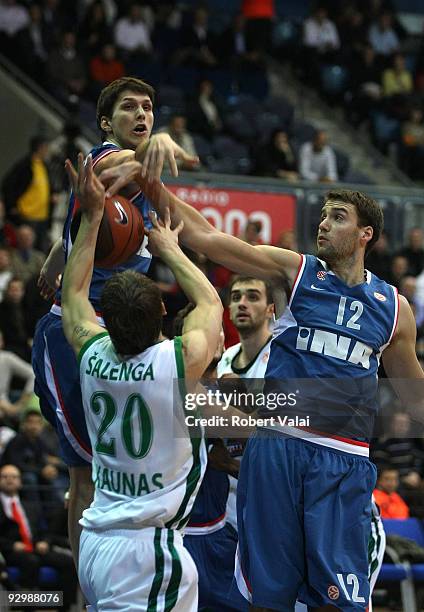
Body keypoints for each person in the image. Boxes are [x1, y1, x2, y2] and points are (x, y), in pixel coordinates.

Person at [97, 177, 423, 610]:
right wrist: (150, 185)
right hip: (279, 451)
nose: (324, 224)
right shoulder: (297, 273)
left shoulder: (394, 308)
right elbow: (209, 236)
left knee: (339, 600)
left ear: (366, 235)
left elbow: (415, 398)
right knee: (269, 597)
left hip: (342, 457)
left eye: (338, 218)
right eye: (323, 215)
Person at [32, 75, 201, 566]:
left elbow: (88, 222)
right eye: (130, 108)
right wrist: (158, 146)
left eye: (149, 108)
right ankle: (86, 592)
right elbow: (107, 174)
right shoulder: (102, 157)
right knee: (86, 471)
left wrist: (54, 258)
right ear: (107, 122)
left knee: (133, 462)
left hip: (132, 338)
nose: (143, 115)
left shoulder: (146, 179)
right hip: (79, 333)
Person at [61, 152, 222, 610]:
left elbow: (72, 294)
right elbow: (211, 304)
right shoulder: (177, 363)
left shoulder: (90, 354)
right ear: (164, 315)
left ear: (104, 323)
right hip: (145, 552)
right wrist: (170, 249)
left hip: (95, 541)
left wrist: (90, 216)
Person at [0, 463, 77, 609]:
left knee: (69, 563)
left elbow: (43, 530)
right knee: (31, 561)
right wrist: (12, 545)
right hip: (9, 551)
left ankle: (64, 607)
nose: (10, 480)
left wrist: (44, 541)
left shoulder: (31, 505)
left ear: (20, 481)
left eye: (14, 477)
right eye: (5, 477)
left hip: (35, 547)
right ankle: (27, 607)